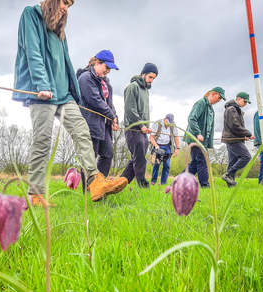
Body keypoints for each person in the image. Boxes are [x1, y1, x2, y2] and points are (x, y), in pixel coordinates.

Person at [12, 0, 127, 204]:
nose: (66, 8)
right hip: (42, 92)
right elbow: (32, 51)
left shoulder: (59, 30)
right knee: (42, 140)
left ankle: (94, 181)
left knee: (82, 131)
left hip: (64, 94)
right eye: (65, 2)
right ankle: (35, 195)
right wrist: (41, 83)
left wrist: (73, 93)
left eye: (69, 5)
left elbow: (66, 60)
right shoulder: (31, 15)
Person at [76, 50, 123, 187]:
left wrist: (115, 119)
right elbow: (95, 101)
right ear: (97, 63)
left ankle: (100, 186)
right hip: (90, 123)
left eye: (110, 69)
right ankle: (88, 190)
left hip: (103, 126)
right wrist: (111, 115)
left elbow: (109, 103)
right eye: (106, 67)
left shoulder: (105, 82)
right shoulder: (85, 78)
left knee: (107, 155)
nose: (108, 71)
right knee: (91, 157)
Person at [120, 63, 158, 188]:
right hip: (133, 127)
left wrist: (147, 126)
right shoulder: (132, 87)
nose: (151, 80)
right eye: (150, 77)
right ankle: (142, 184)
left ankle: (120, 183)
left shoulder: (146, 91)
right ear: (143, 74)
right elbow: (130, 109)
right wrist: (141, 125)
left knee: (137, 157)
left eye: (153, 78)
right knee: (139, 157)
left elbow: (144, 111)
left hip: (142, 129)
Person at [184, 87, 226, 188]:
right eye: (219, 97)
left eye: (220, 99)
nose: (219, 100)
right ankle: (204, 185)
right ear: (212, 94)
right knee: (203, 160)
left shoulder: (211, 109)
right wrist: (198, 133)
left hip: (203, 141)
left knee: (195, 163)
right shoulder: (201, 103)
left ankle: (180, 181)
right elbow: (191, 118)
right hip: (195, 138)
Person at [221, 92, 255, 187]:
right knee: (246, 157)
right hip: (232, 139)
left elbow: (236, 126)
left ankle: (230, 185)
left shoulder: (236, 110)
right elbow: (234, 125)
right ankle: (228, 175)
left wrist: (243, 135)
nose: (245, 104)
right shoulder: (231, 109)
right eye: (245, 101)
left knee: (233, 161)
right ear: (238, 98)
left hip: (234, 138)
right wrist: (247, 133)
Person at [149, 114, 180, 185]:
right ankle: (153, 181)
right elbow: (151, 137)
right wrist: (156, 146)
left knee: (166, 165)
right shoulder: (157, 124)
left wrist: (178, 148)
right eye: (168, 122)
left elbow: (176, 137)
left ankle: (163, 182)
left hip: (167, 146)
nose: (169, 125)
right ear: (165, 119)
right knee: (156, 164)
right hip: (158, 145)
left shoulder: (173, 126)